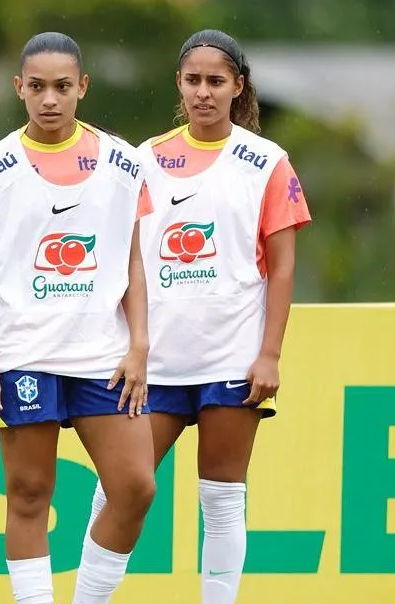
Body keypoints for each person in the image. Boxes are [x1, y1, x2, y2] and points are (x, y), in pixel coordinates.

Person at [85, 29, 311, 604]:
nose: (204, 93)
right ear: (179, 85)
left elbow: (282, 268)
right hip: (154, 363)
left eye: (216, 81)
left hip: (232, 356)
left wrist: (270, 354)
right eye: (193, 81)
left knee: (222, 496)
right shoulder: (144, 159)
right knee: (119, 490)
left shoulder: (266, 162)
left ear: (238, 86)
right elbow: (117, 254)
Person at [0, 32, 155, 604]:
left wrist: (139, 345)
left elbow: (133, 262)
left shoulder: (123, 164)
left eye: (62, 87)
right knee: (28, 496)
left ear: (82, 88)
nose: (50, 99)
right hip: (24, 355)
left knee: (136, 489)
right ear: (19, 88)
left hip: (103, 357)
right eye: (37, 87)